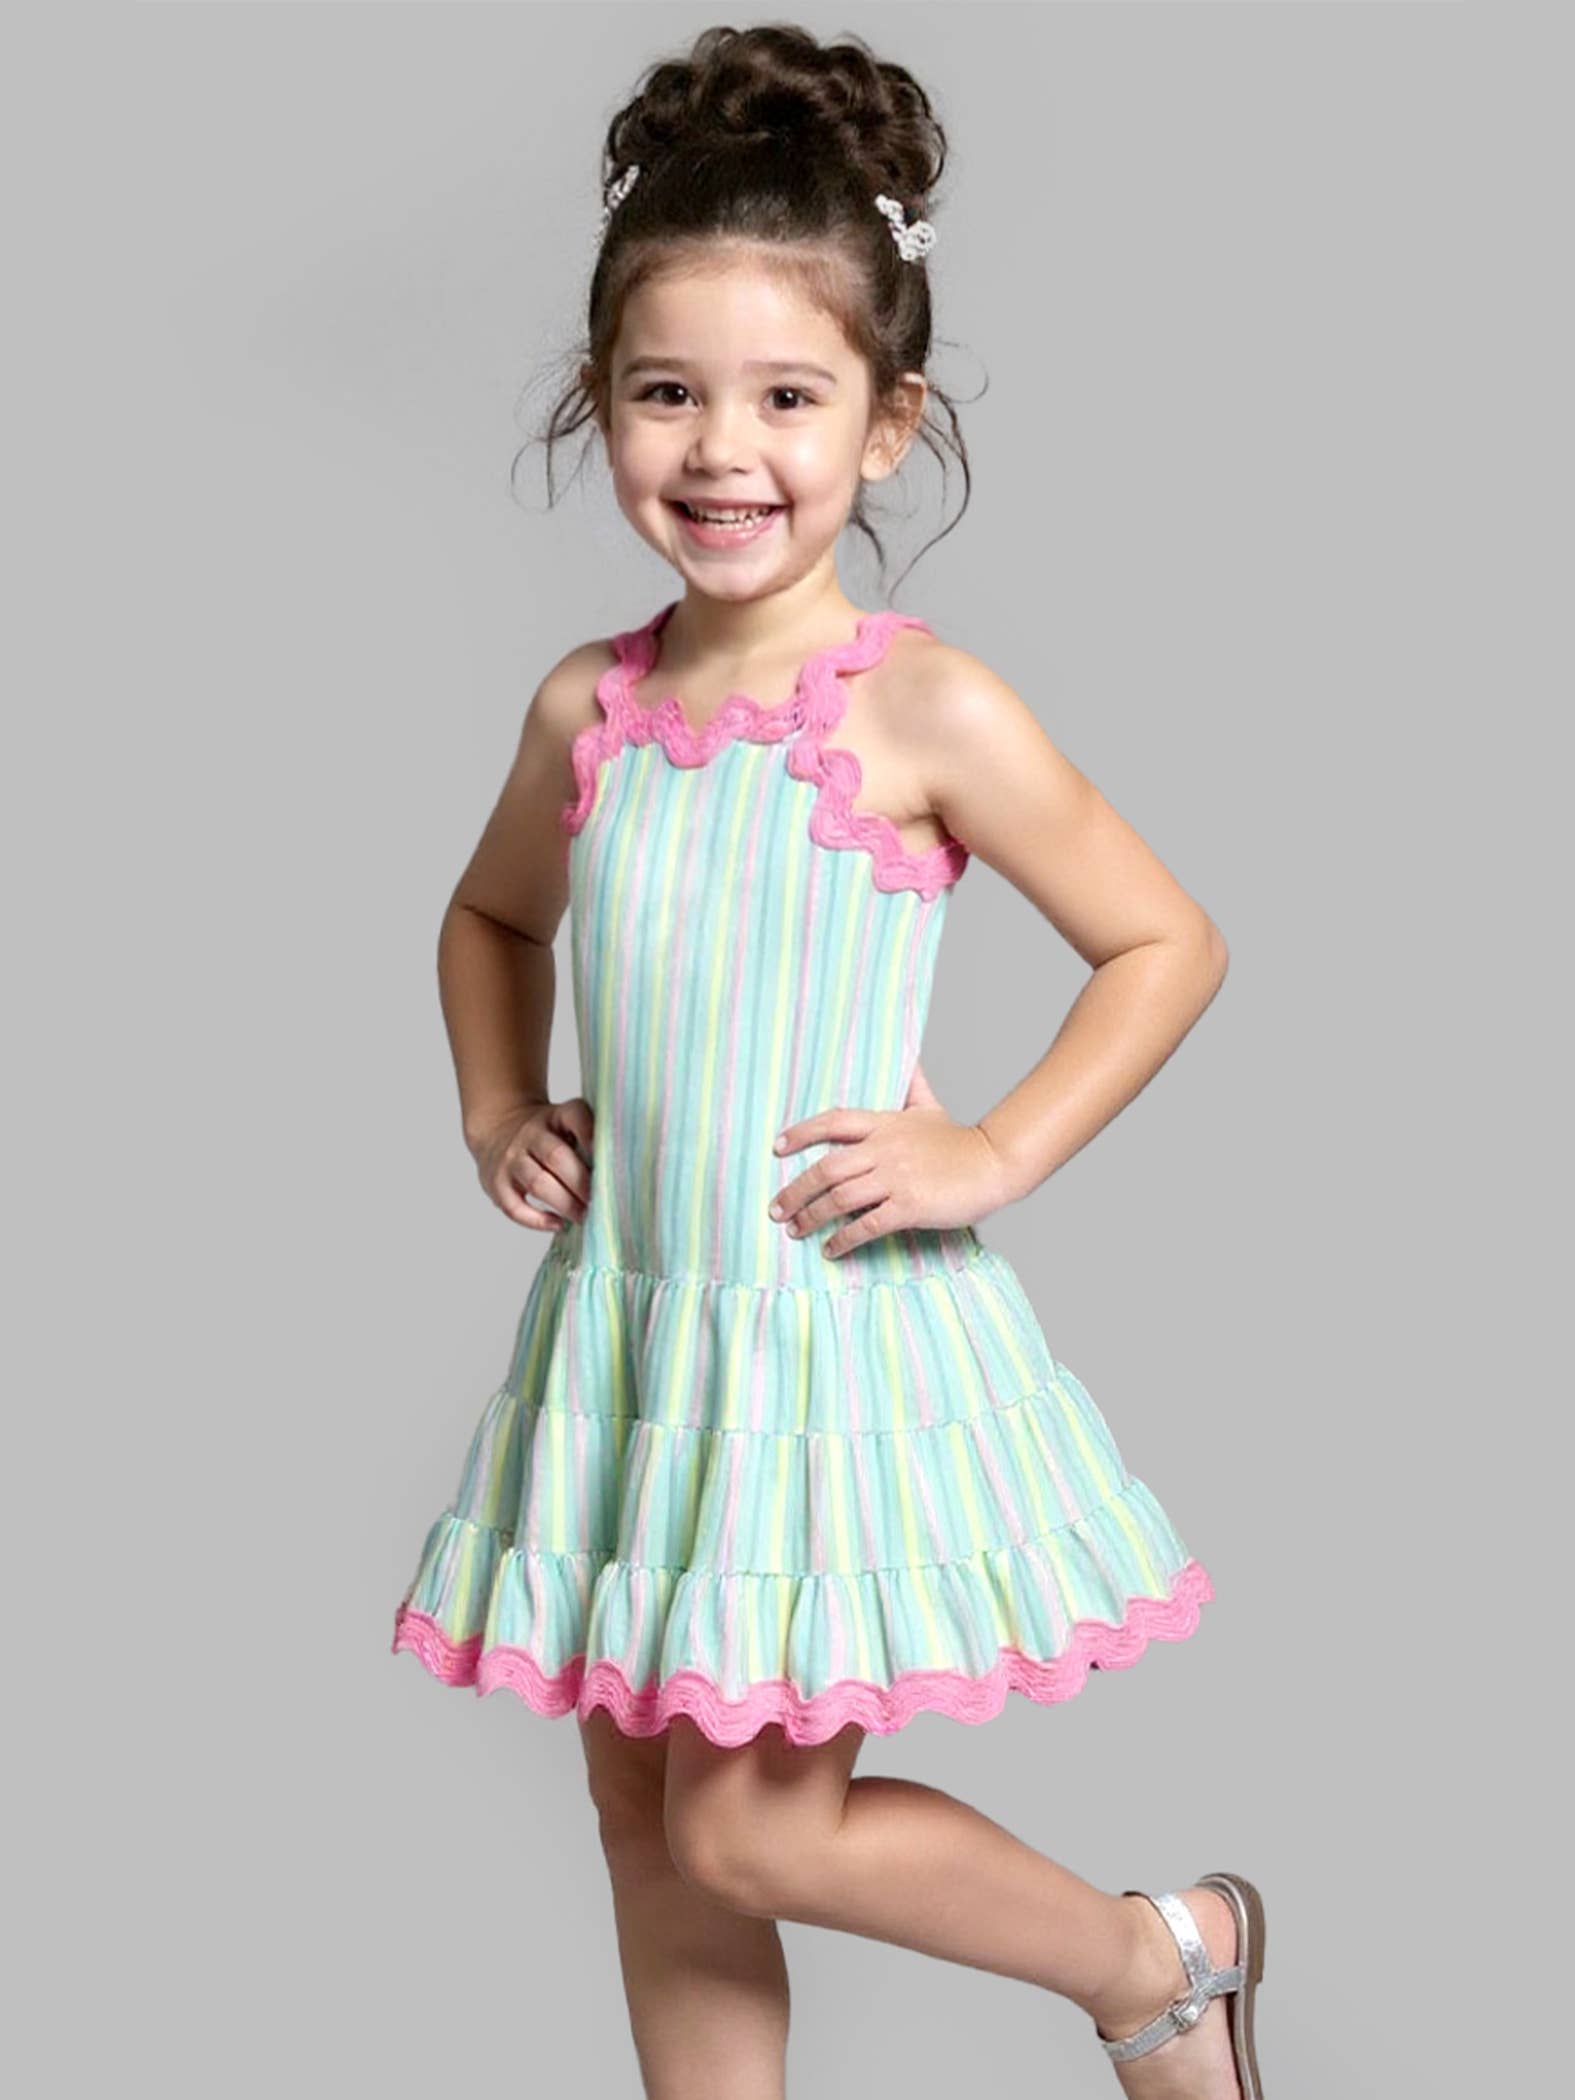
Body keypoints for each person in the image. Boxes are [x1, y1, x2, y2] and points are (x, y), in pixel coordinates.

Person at [391, 23, 1267, 2099]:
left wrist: (993, 1149)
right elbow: (489, 921)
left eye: (787, 396)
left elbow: (1164, 941)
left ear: (887, 427)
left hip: (815, 1342)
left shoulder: (920, 709)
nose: (723, 447)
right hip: (636, 1332)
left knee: (752, 1830)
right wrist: (500, 1108)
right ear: (599, 401)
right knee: (647, 1823)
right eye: (665, 392)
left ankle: (1155, 1965)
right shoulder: (585, 710)